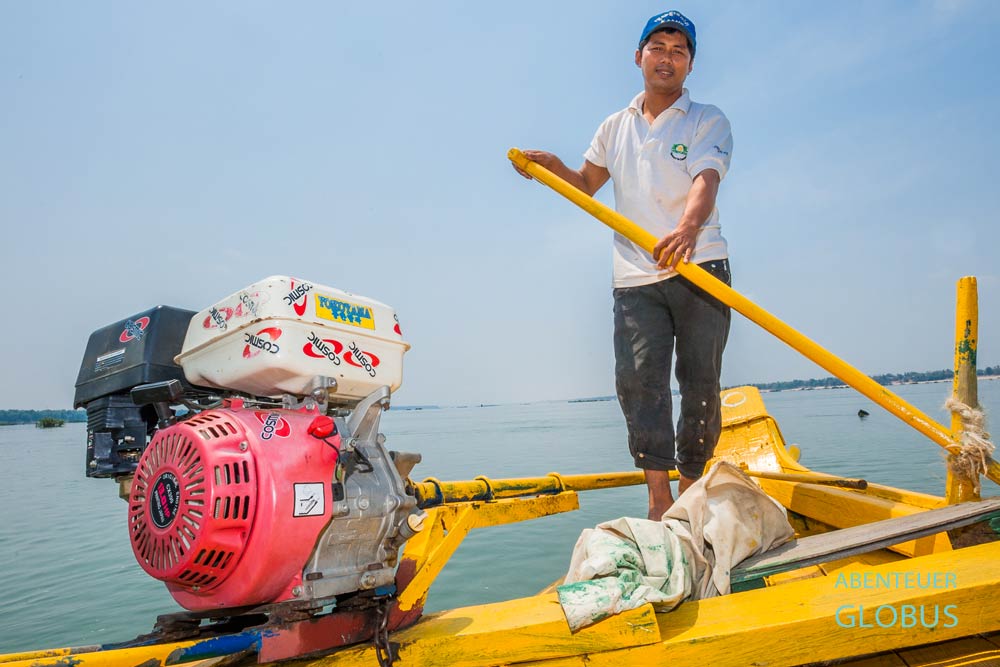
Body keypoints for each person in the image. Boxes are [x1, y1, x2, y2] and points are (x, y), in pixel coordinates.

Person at [514, 10, 733, 520]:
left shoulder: (708, 119)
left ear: (690, 65)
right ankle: (660, 499)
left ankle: (693, 488)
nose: (667, 58)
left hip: (700, 264)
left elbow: (706, 179)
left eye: (679, 51)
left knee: (700, 379)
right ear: (639, 57)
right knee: (639, 382)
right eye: (658, 47)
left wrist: (688, 229)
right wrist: (554, 170)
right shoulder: (616, 126)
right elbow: (587, 184)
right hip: (636, 275)